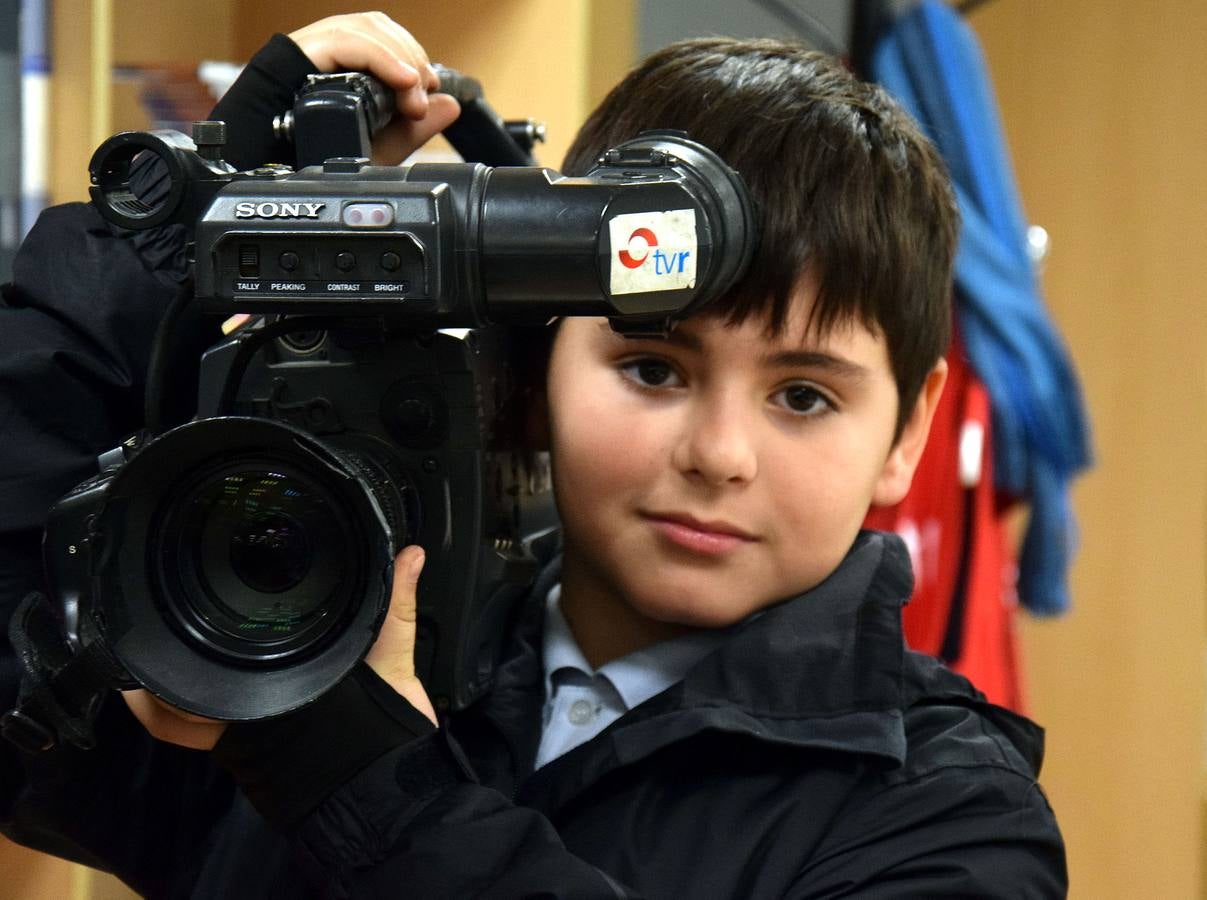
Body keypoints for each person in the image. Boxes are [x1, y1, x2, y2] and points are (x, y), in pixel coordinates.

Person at [0, 12, 1067, 897]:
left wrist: (359, 786)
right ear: (530, 368)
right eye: (653, 369)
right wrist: (185, 233)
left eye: (802, 394)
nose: (721, 455)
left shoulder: (948, 815)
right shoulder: (289, 642)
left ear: (907, 431)